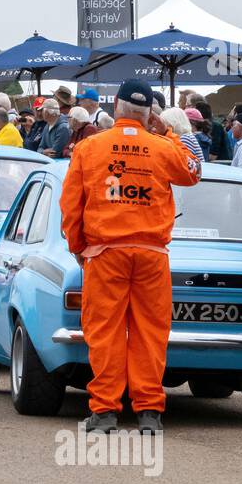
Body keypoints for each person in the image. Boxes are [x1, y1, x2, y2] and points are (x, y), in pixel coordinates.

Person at [59, 78, 202, 434]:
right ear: (148, 114)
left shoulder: (89, 148)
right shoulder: (162, 147)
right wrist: (168, 134)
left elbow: (71, 206)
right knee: (150, 333)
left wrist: (78, 248)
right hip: (152, 254)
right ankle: (149, 412)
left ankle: (105, 411)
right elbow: (194, 171)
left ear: (116, 109)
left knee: (104, 331)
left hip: (105, 254)